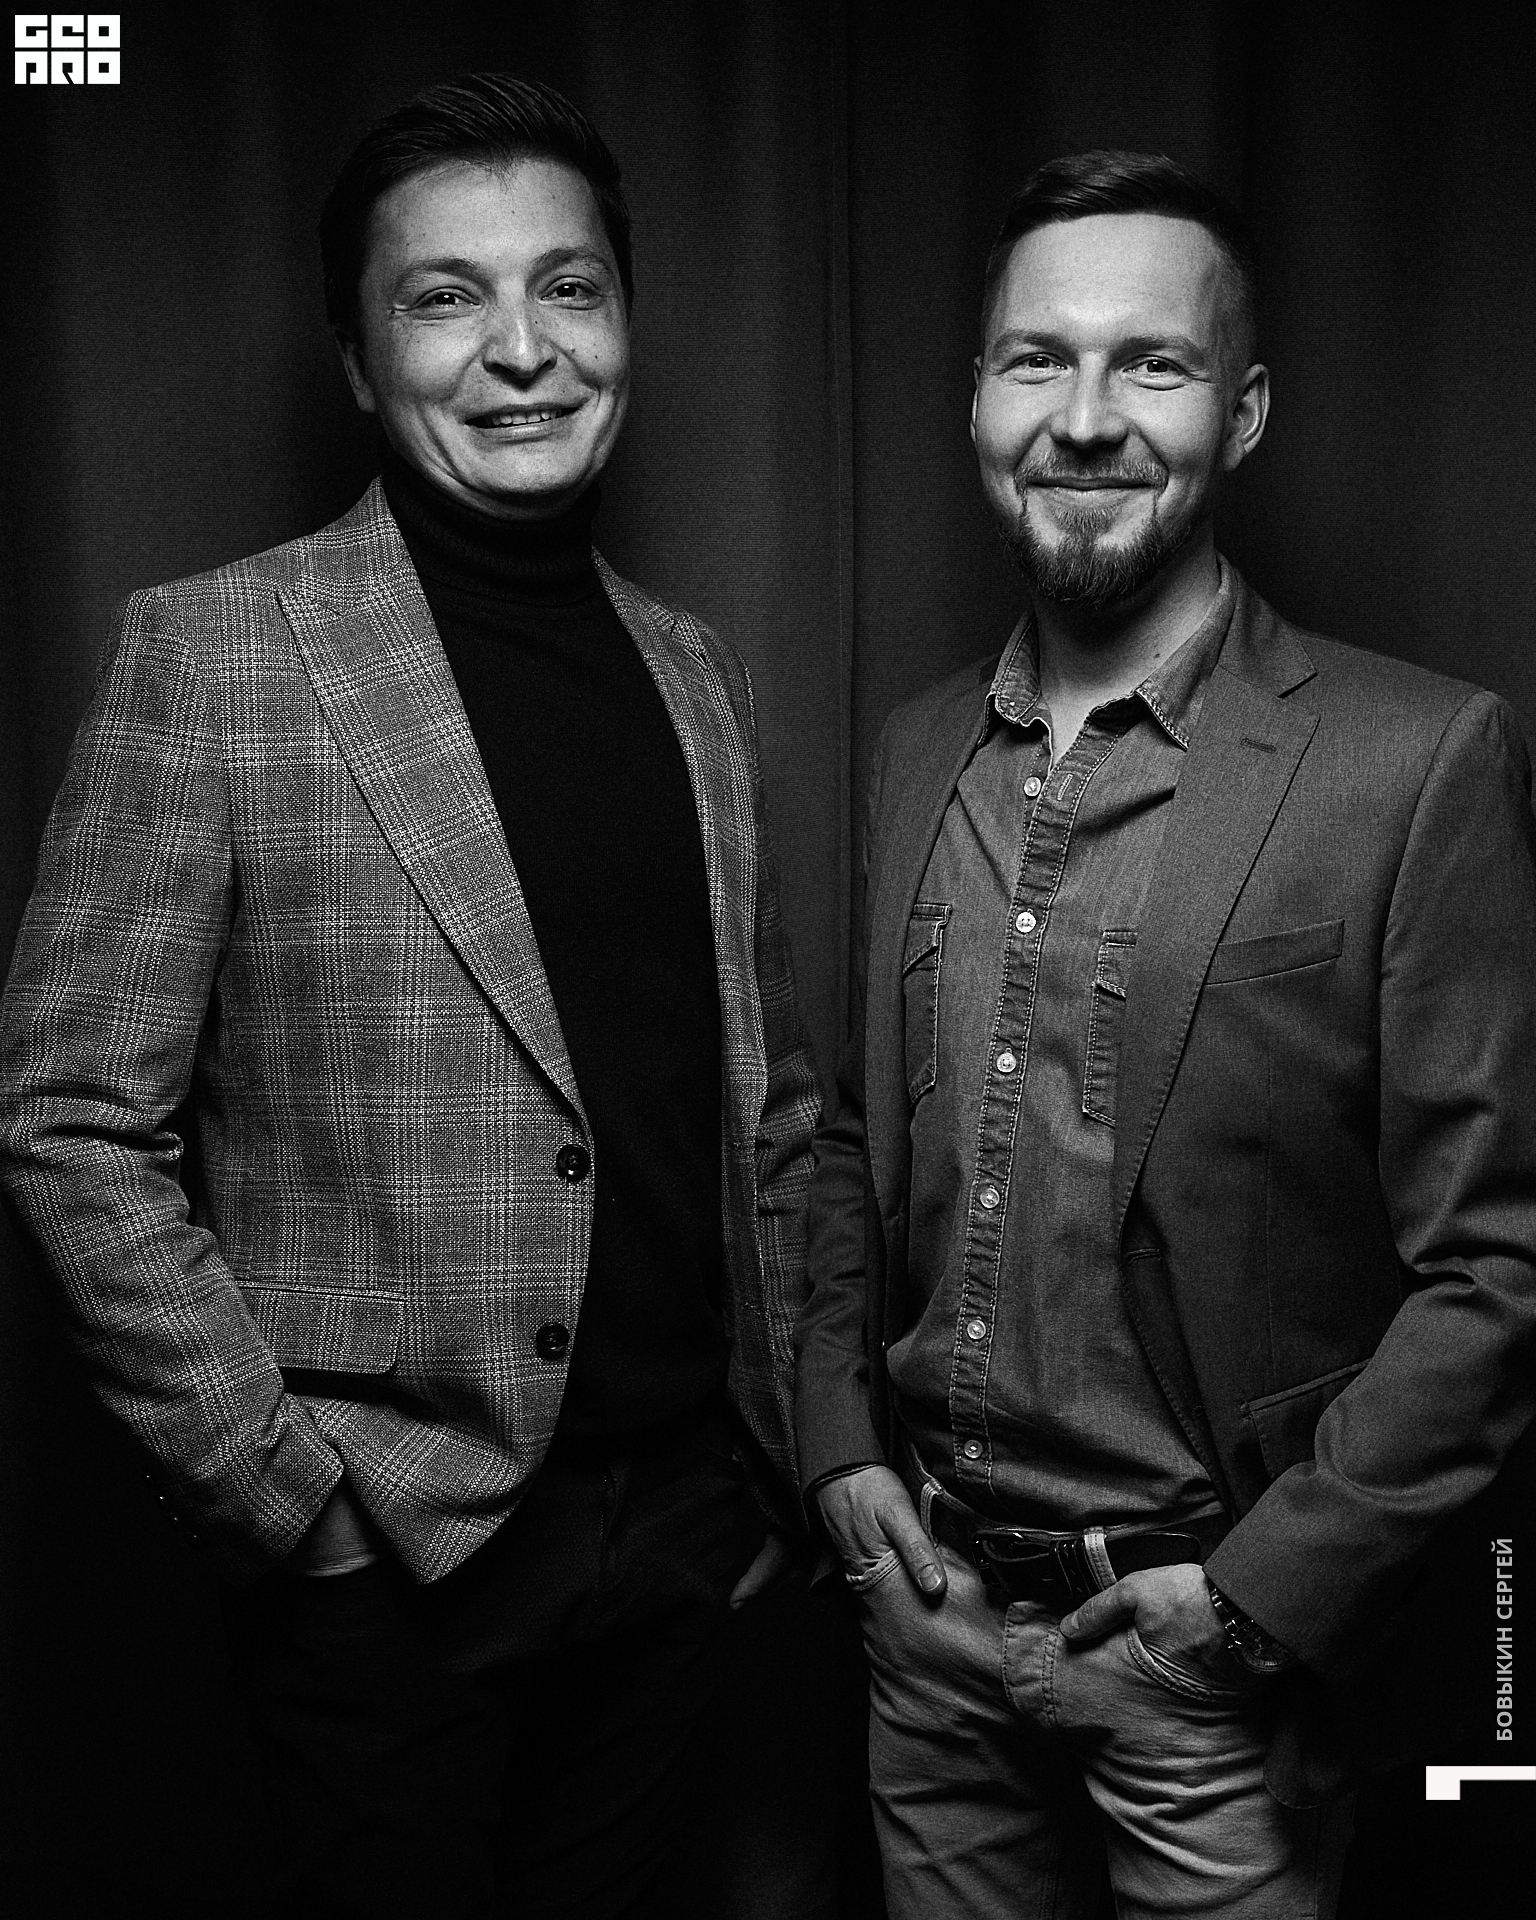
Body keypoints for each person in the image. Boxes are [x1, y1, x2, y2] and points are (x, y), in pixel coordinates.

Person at [0, 72, 820, 1918]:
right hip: (389, 1550)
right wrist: (285, 1498)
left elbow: (766, 1102)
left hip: (676, 1534)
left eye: (570, 287)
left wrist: (757, 1467)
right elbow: (70, 1117)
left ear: (625, 320)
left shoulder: (697, 675)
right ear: (361, 362)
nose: (523, 349)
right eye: (447, 298)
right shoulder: (216, 650)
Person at [794, 148, 1536, 1919]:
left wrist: (1258, 1604)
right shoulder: (915, 751)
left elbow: (1499, 1266)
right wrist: (832, 1448)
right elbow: (849, 1142)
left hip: (1207, 1672)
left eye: (1153, 363)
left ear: (1244, 412)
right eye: (1036, 360)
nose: (1085, 417)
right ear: (979, 401)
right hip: (930, 1636)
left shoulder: (1418, 760)